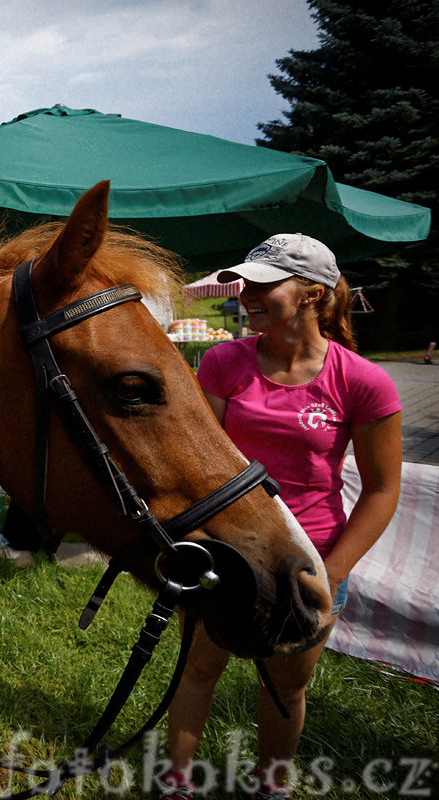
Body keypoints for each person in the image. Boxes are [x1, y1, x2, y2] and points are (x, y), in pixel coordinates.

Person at [158, 234, 401, 799]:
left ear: (313, 294)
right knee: (198, 670)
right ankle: (173, 784)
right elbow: (199, 465)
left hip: (309, 561)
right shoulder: (223, 363)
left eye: (265, 284)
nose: (247, 294)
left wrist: (331, 574)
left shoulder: (362, 380)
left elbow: (382, 490)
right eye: (246, 282)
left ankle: (271, 787)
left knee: (285, 689)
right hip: (226, 557)